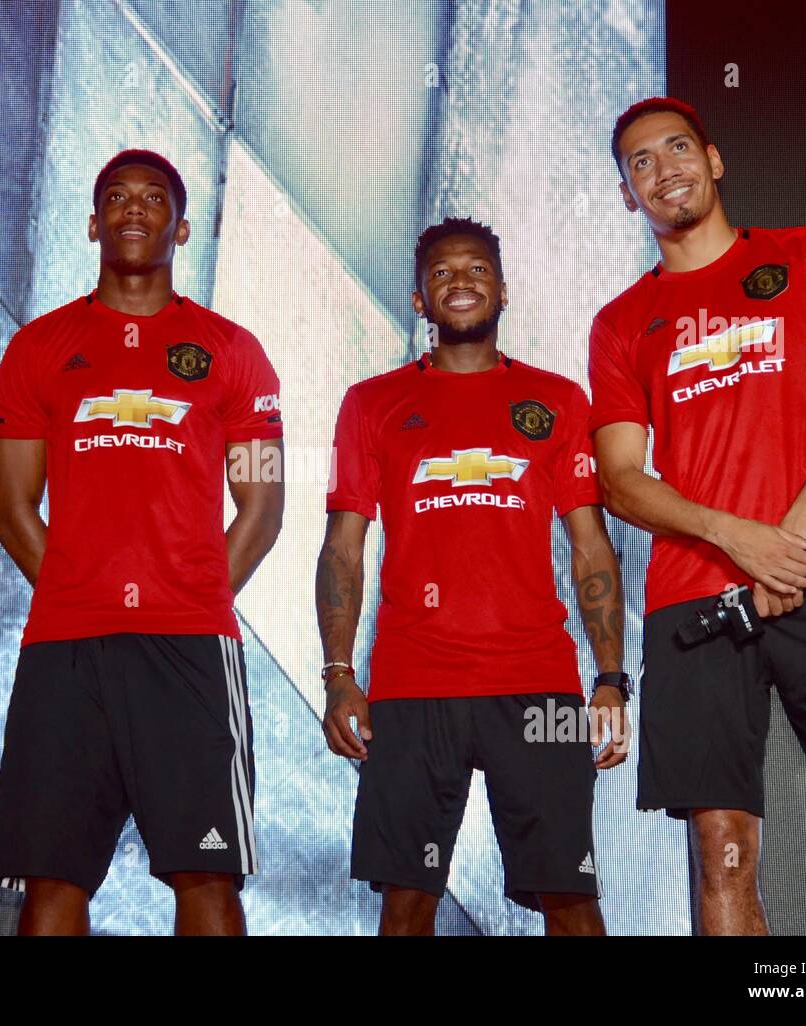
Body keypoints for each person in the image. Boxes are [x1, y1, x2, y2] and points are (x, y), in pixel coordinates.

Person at [590, 97, 806, 934]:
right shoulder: (621, 322)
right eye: (640, 162)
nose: (663, 167)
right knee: (723, 855)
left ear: (713, 160)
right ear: (627, 195)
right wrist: (734, 538)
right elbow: (621, 480)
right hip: (693, 606)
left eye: (677, 148)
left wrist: (788, 547)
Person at [0, 149, 284, 936]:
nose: (134, 208)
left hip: (188, 648)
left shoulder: (234, 352)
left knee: (209, 881)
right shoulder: (37, 350)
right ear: (92, 222)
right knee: (50, 884)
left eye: (155, 198)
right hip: (65, 649)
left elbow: (262, 506)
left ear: (181, 227)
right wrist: (80, 590)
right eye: (116, 196)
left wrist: (184, 597)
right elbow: (13, 506)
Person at [318, 217, 629, 936]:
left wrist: (610, 678)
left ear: (504, 290)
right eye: (443, 273)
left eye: (478, 270)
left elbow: (590, 547)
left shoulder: (556, 401)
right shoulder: (371, 404)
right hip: (411, 684)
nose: (462, 283)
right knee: (405, 904)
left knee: (573, 900)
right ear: (420, 299)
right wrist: (339, 671)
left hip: (537, 684)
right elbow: (342, 549)